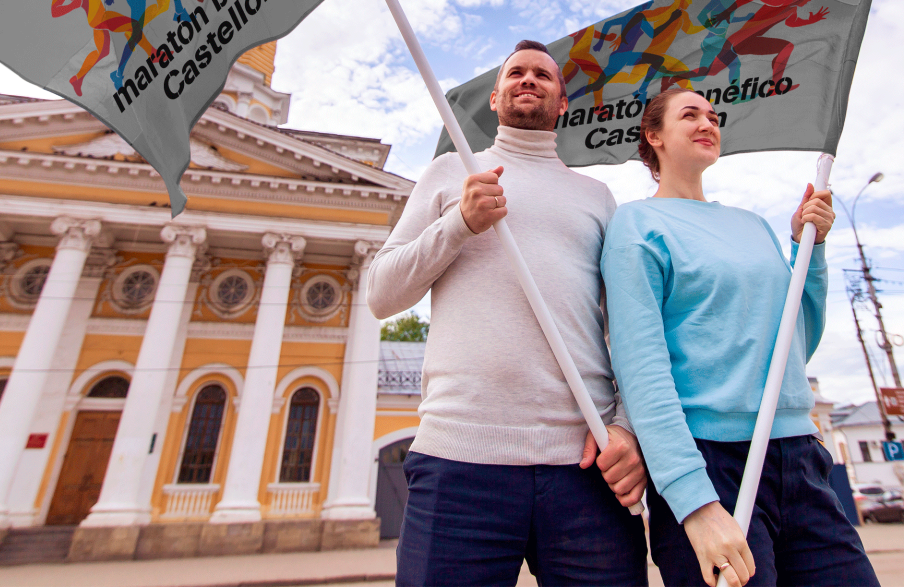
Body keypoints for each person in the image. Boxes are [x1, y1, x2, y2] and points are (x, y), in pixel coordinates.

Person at [367, 40, 648, 587]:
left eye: (542, 75)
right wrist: (458, 226)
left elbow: (628, 329)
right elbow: (381, 294)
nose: (528, 80)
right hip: (459, 459)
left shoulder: (596, 196)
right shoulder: (452, 173)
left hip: (585, 464)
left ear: (563, 103)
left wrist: (626, 427)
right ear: (494, 99)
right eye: (515, 73)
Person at [600, 88, 878, 587]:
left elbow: (794, 344)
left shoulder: (751, 225)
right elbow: (641, 370)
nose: (708, 122)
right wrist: (695, 503)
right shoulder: (636, 224)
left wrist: (806, 249)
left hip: (800, 453)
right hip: (712, 462)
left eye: (713, 114)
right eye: (690, 114)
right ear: (654, 136)